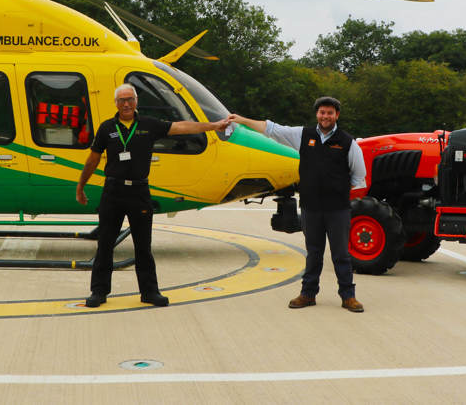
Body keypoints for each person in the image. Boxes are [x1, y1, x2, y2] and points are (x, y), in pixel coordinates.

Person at [77, 83, 229, 308]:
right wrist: (81, 187)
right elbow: (93, 159)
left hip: (139, 192)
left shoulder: (149, 125)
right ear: (116, 104)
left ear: (136, 101)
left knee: (143, 246)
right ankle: (99, 292)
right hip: (113, 192)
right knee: (106, 244)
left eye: (130, 99)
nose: (126, 104)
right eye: (122, 100)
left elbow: (183, 127)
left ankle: (149, 292)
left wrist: (214, 125)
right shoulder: (106, 127)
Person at [229, 96, 366, 313]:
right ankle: (308, 294)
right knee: (313, 252)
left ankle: (348, 296)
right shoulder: (303, 135)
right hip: (311, 208)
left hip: (337, 210)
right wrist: (242, 120)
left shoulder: (348, 142)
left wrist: (336, 191)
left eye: (330, 112)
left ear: (337, 115)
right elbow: (272, 129)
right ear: (317, 114)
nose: (325, 116)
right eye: (322, 112)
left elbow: (360, 176)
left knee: (341, 254)